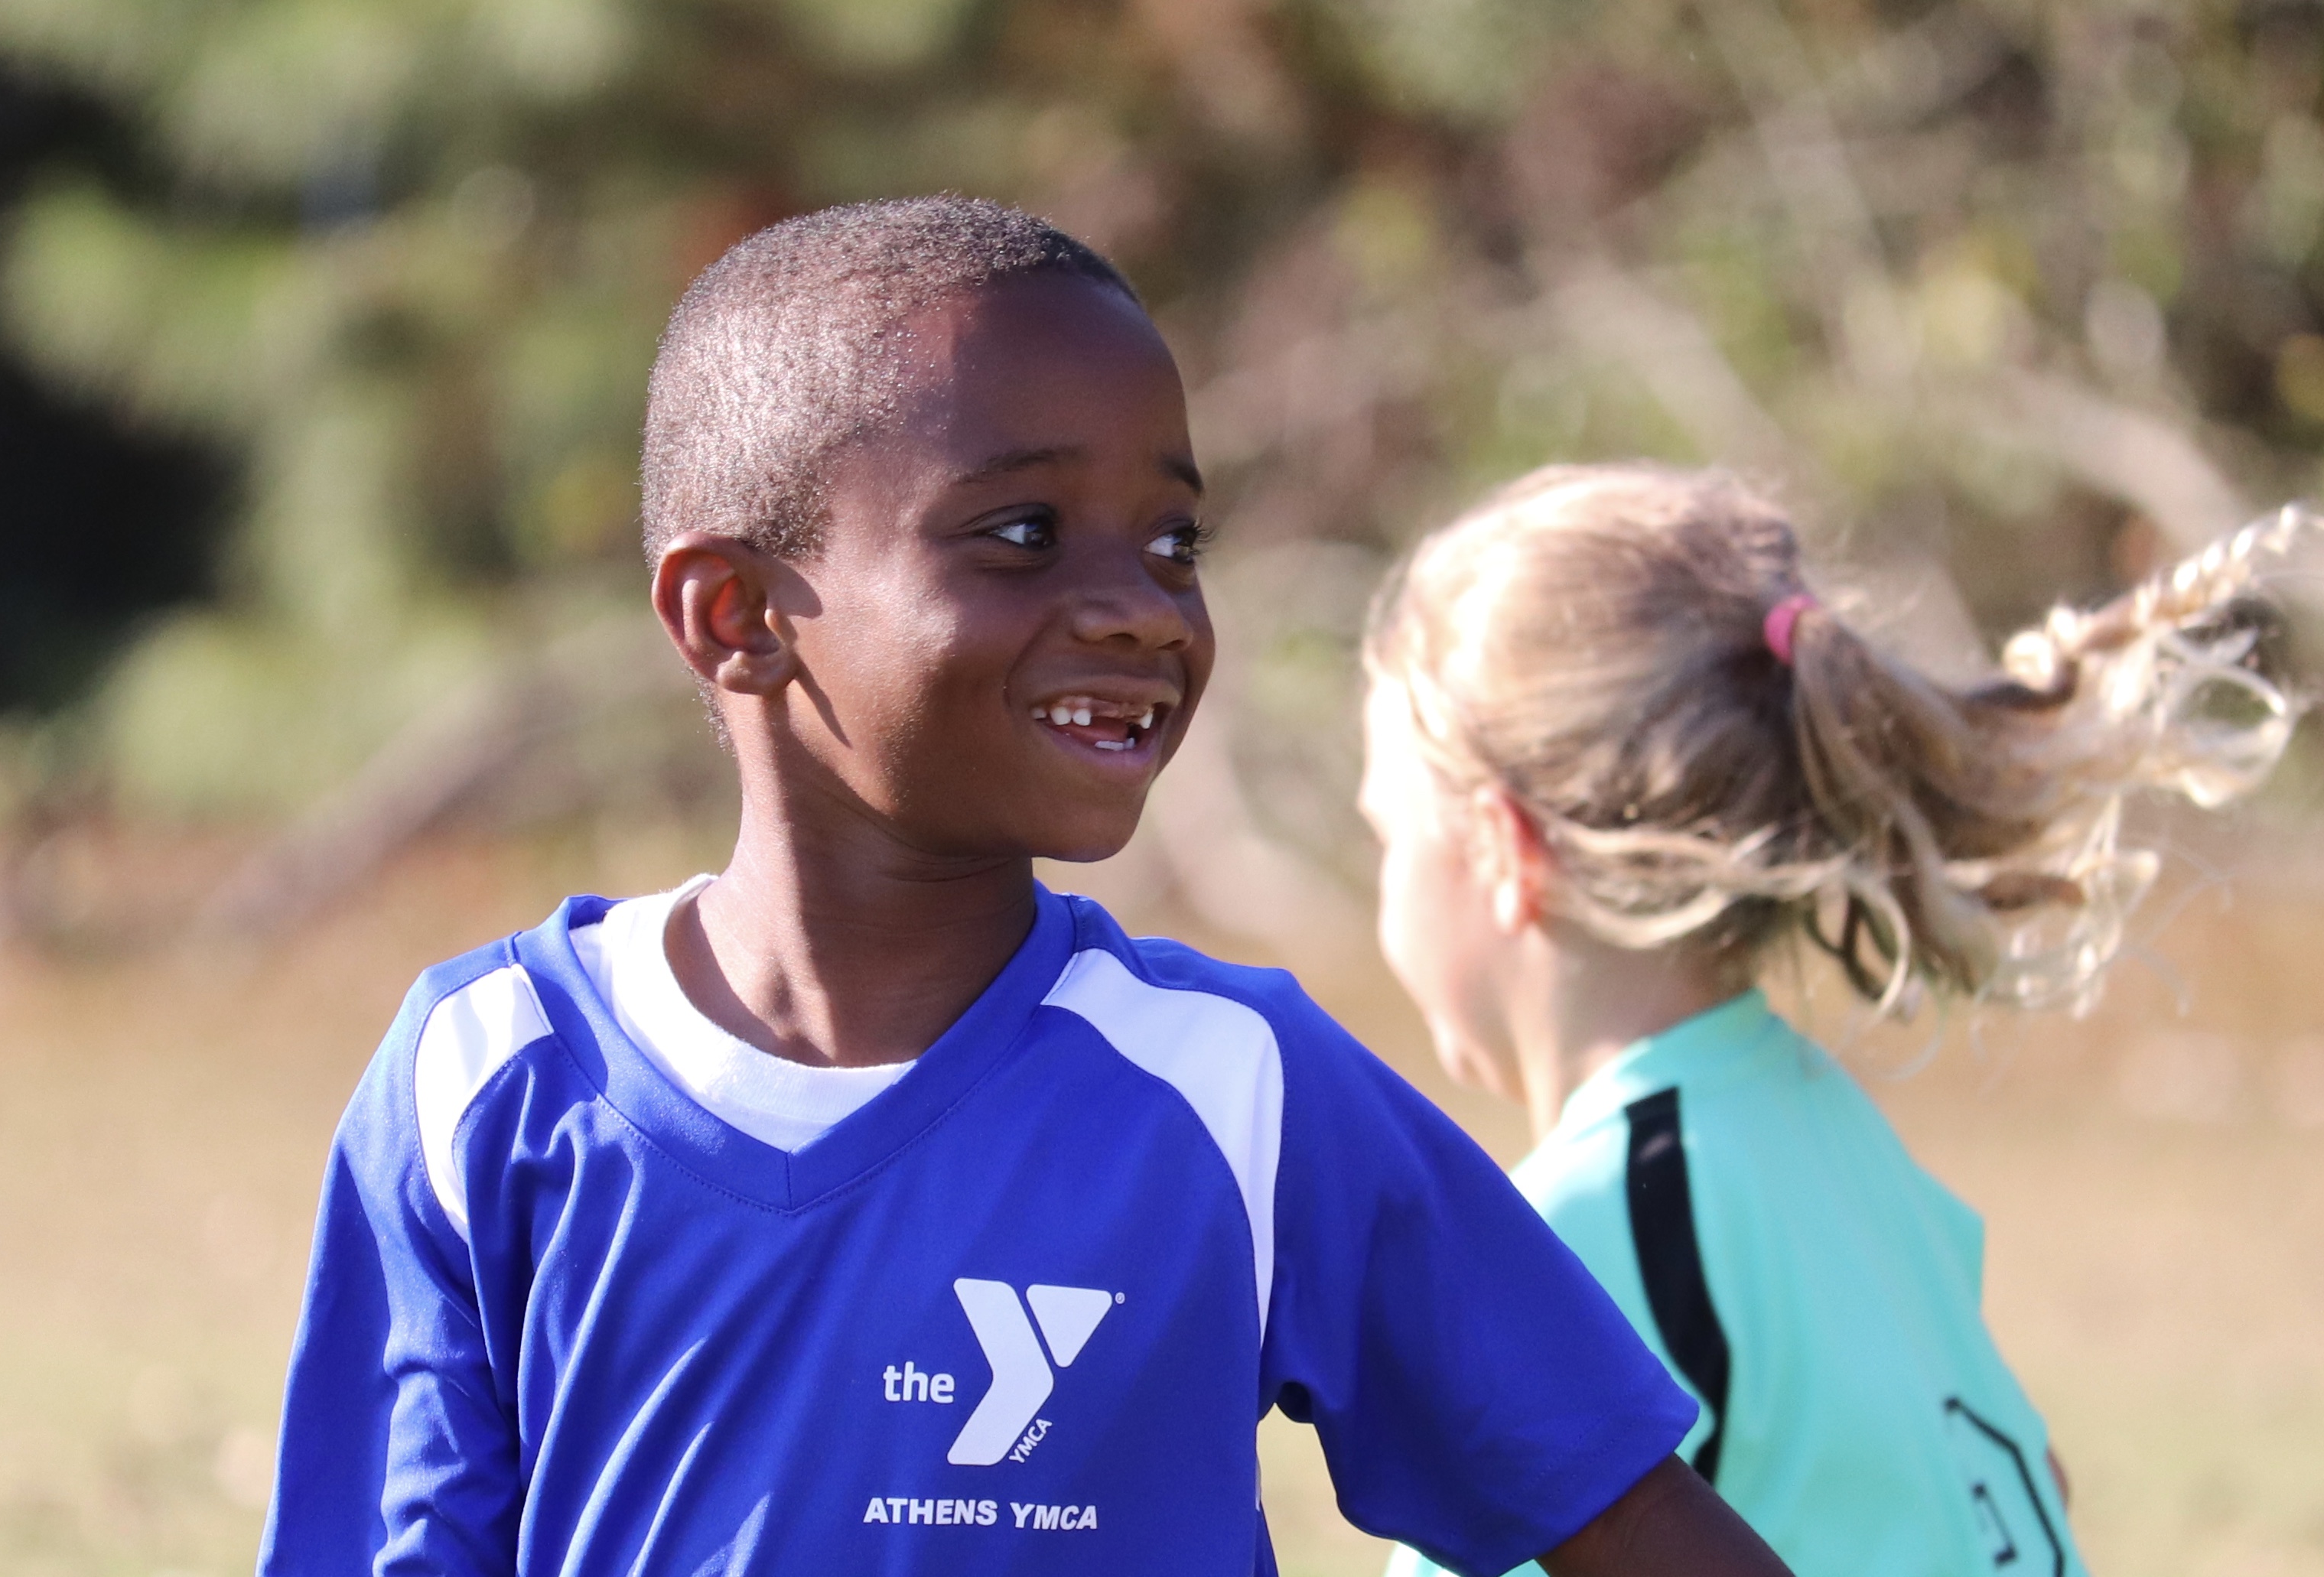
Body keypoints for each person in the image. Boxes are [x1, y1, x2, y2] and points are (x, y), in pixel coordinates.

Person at [255, 199, 1794, 1577]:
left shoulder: (1239, 1089)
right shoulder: (488, 1077)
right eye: (1022, 533)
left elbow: (1628, 1521)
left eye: (1174, 540)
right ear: (736, 614)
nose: (1141, 609)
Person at [1352, 464, 2314, 1577]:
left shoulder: (1580, 1234)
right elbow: (2032, 1480)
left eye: (1388, 836)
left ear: (1500, 847)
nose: (1384, 883)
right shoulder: (1829, 1130)